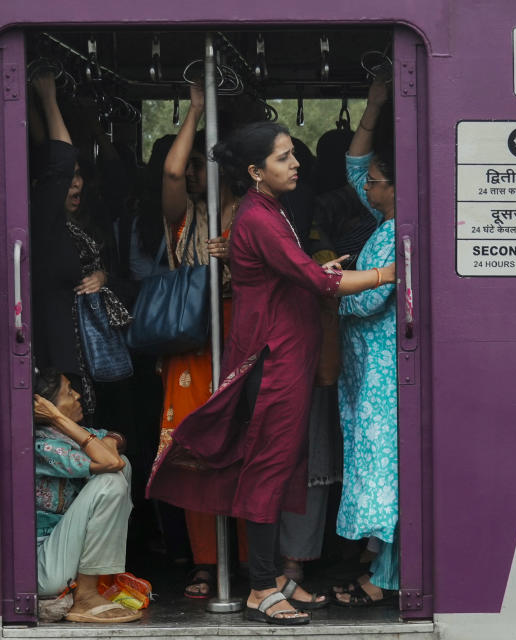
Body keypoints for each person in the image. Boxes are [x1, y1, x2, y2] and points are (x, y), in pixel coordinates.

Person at [147, 121, 396, 625]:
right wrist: (383, 274)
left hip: (286, 360)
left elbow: (290, 278)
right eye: (284, 158)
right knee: (266, 472)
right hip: (273, 363)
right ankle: (262, 586)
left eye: (292, 155)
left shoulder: (269, 209)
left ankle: (276, 578)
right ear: (257, 172)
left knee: (280, 470)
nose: (296, 163)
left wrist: (321, 273)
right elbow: (307, 279)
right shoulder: (259, 217)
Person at [158, 84, 248, 598]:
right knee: (191, 452)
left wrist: (236, 260)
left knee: (242, 450)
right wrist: (194, 109)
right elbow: (170, 174)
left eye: (202, 164)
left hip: (243, 337)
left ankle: (246, 558)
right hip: (191, 340)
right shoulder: (185, 216)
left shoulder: (256, 215)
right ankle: (205, 561)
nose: (192, 172)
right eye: (191, 164)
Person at [28, 71, 131, 422]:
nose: (75, 184)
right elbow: (57, 158)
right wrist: (48, 98)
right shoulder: (43, 222)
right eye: (68, 177)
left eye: (79, 176)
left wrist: (101, 274)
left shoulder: (76, 228)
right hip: (56, 356)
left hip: (84, 354)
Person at [332, 78, 400, 607]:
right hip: (366, 373)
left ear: (396, 188)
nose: (367, 188)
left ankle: (385, 577)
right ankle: (382, 567)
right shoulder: (386, 218)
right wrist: (374, 107)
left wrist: (329, 284)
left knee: (386, 474)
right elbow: (356, 168)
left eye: (377, 182)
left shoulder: (397, 231)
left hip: (382, 375)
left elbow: (365, 301)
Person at [32, 368, 139, 623]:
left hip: (62, 557)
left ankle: (92, 585)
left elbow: (115, 440)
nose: (78, 396)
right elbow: (109, 462)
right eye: (69, 392)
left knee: (122, 463)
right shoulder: (43, 446)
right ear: (47, 408)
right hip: (42, 569)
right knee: (111, 480)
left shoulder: (64, 435)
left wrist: (110, 440)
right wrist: (58, 418)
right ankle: (86, 597)